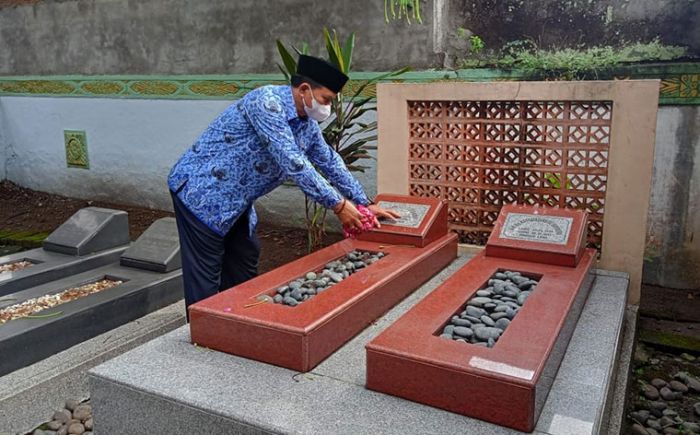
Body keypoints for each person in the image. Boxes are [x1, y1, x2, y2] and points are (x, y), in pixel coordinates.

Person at [168, 54, 400, 312]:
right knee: (205, 272)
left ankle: (237, 322)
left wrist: (363, 203)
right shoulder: (265, 102)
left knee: (244, 259)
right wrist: (338, 205)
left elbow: (330, 161)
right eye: (326, 100)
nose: (327, 109)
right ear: (304, 89)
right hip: (202, 193)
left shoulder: (306, 124)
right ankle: (204, 335)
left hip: (236, 201)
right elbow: (292, 161)